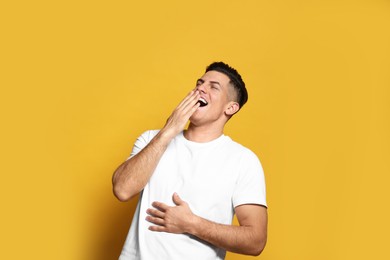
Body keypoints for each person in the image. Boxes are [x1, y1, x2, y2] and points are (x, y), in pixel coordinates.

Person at [112, 62, 268, 260]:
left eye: (213, 86)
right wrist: (168, 131)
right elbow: (122, 190)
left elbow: (255, 241)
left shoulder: (243, 161)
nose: (200, 88)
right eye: (200, 83)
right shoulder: (152, 139)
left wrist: (192, 224)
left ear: (231, 107)